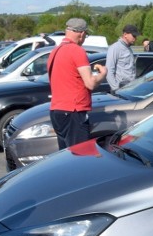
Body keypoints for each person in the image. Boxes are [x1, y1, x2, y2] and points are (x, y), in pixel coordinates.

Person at [48, 17, 107, 149]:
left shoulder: (55, 51)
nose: (85, 38)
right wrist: (103, 74)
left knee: (65, 156)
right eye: (86, 34)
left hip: (57, 110)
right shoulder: (76, 50)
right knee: (80, 155)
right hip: (73, 110)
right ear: (81, 33)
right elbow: (90, 83)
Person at [106, 24, 139, 91]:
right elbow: (108, 70)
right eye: (133, 35)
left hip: (129, 89)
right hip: (120, 90)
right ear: (125, 34)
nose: (135, 38)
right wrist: (116, 89)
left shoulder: (128, 49)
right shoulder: (115, 48)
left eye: (136, 36)